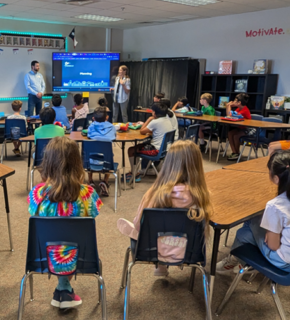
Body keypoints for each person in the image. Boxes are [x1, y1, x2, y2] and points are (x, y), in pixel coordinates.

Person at [218, 151, 290, 275]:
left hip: (289, 265)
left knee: (245, 230)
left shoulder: (276, 205)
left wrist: (269, 232)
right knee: (255, 227)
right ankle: (241, 262)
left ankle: (236, 260)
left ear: (276, 178)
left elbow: (273, 246)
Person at [118, 140, 212, 276]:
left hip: (153, 250)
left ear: (169, 165)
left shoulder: (155, 194)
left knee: (145, 228)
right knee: (178, 228)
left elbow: (140, 226)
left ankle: (160, 264)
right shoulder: (202, 196)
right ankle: (163, 261)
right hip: (189, 251)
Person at [28, 137, 101, 309]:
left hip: (44, 257)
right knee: (71, 240)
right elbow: (91, 217)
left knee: (56, 240)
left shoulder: (37, 194)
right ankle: (64, 287)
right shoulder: (88, 194)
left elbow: (34, 215)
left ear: (47, 163)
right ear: (77, 163)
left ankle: (63, 287)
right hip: (82, 257)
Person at [126, 103, 174, 181]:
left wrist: (149, 119)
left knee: (131, 150)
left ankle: (134, 173)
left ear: (154, 112)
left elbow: (142, 131)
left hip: (156, 150)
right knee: (139, 146)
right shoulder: (167, 120)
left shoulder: (155, 122)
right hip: (166, 150)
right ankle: (136, 171)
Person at [87, 107, 117, 197]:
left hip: (91, 163)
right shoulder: (112, 127)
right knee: (110, 154)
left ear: (93, 118)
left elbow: (88, 135)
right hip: (107, 163)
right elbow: (114, 137)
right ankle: (105, 181)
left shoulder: (91, 127)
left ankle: (90, 181)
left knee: (90, 153)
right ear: (107, 117)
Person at [225, 93, 252, 160]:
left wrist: (228, 106)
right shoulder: (238, 109)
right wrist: (228, 107)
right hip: (240, 128)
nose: (233, 102)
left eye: (235, 100)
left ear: (239, 102)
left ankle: (237, 153)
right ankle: (234, 152)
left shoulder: (244, 110)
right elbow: (230, 115)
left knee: (236, 136)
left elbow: (229, 115)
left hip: (248, 129)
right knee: (230, 133)